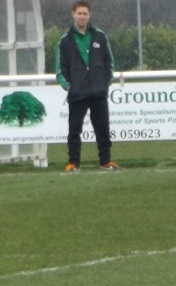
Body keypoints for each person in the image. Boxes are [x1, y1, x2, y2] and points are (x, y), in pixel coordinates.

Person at [55, 1, 118, 172]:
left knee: (103, 129)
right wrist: (69, 86)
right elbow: (60, 69)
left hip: (98, 92)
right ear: (73, 14)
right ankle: (73, 163)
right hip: (77, 94)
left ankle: (105, 161)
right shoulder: (65, 40)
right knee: (74, 129)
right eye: (79, 13)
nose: (82, 17)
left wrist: (104, 83)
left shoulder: (100, 36)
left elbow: (109, 63)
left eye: (85, 14)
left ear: (89, 15)